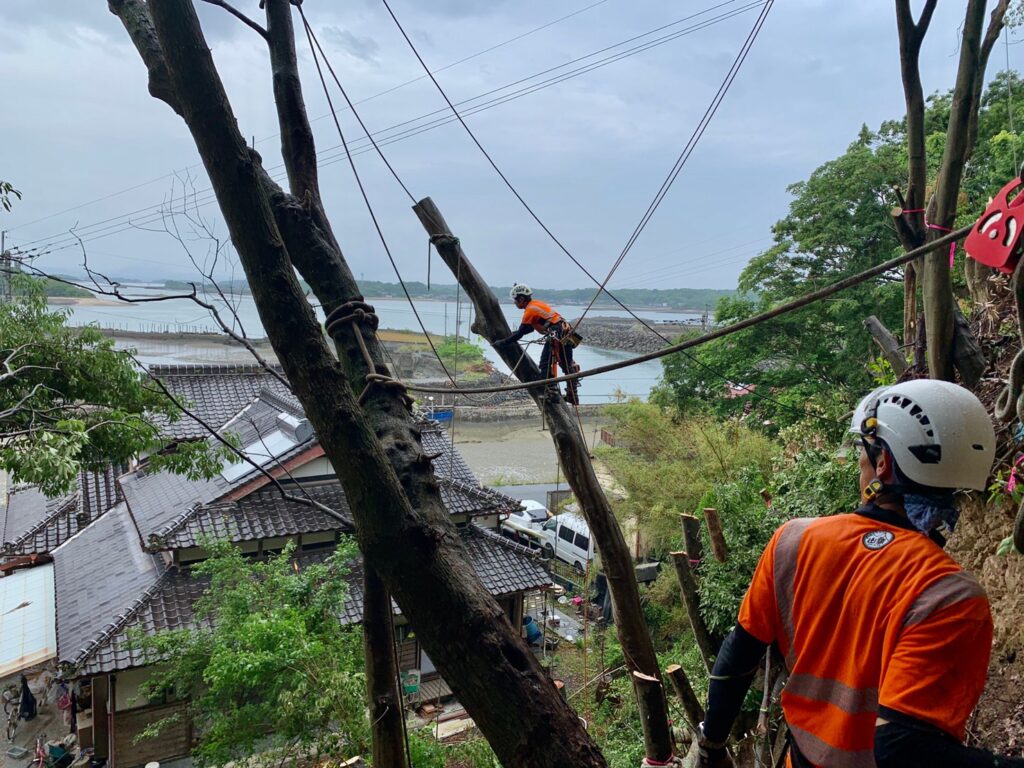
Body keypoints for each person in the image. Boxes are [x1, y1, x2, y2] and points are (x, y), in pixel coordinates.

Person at [694, 379, 1024, 768]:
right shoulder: (949, 594)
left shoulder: (793, 541)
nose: (860, 463)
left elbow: (738, 657)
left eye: (863, 453)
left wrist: (711, 746)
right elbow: (905, 747)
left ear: (883, 463)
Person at [495, 283, 580, 404]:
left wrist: (502, 343)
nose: (514, 303)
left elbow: (520, 334)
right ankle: (573, 395)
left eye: (515, 300)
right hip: (565, 331)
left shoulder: (530, 310)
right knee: (567, 365)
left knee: (545, 364)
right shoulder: (537, 304)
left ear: (521, 299)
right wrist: (510, 336)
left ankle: (553, 394)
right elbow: (529, 329)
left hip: (556, 333)